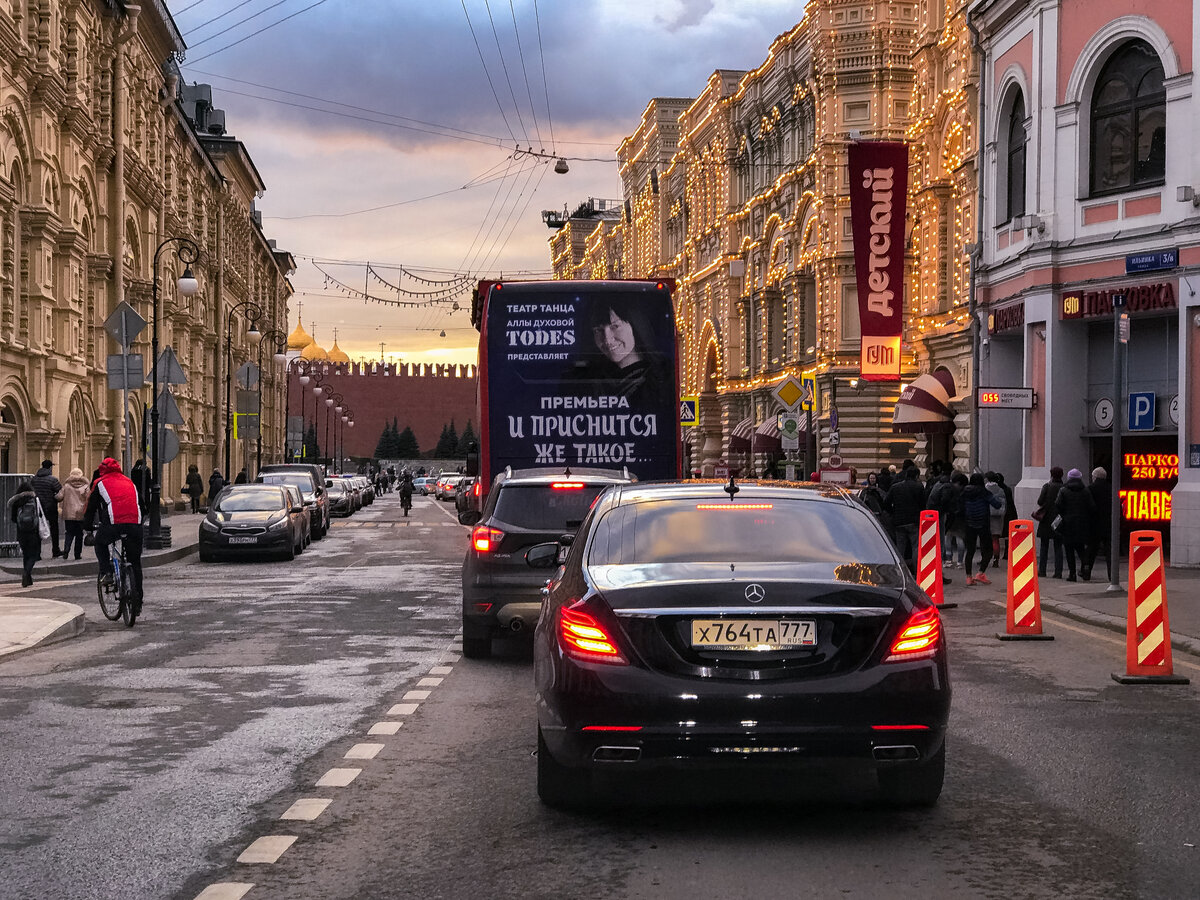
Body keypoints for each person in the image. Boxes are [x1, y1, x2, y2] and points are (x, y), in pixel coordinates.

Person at [585, 298, 672, 411]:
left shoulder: (662, 376)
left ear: (635, 325)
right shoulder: (592, 379)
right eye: (598, 330)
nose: (607, 339)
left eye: (615, 326)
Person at [85, 457, 144, 615]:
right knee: (135, 562)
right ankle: (137, 601)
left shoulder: (100, 483)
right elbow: (142, 505)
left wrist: (87, 528)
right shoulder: (129, 482)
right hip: (135, 523)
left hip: (113, 523)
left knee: (100, 543)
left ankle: (107, 573)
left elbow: (90, 508)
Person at [1055, 468, 1096, 582]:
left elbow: (1058, 505)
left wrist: (1065, 513)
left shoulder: (1063, 491)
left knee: (1069, 551)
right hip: (1082, 524)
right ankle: (1085, 568)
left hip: (1067, 524)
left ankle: (1072, 574)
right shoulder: (1085, 491)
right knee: (1081, 549)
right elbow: (1092, 507)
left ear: (1068, 478)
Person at [962, 473, 1003, 586]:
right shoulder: (984, 492)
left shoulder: (965, 492)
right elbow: (997, 504)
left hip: (969, 523)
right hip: (983, 524)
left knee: (970, 551)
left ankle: (969, 577)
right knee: (988, 550)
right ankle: (980, 573)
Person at [882, 466, 925, 573]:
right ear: (916, 476)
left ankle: (899, 572)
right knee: (916, 547)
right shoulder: (918, 487)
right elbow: (923, 504)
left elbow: (886, 503)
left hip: (899, 522)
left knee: (900, 548)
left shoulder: (895, 487)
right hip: (914, 521)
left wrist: (893, 513)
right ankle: (916, 571)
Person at [8, 480, 43, 586]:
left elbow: (14, 519)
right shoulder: (35, 500)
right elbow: (40, 514)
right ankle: (26, 572)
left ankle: (28, 577)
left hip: (21, 532)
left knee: (26, 554)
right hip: (33, 531)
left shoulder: (17, 502)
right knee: (33, 555)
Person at [1035, 467, 1065, 578]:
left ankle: (1042, 570)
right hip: (1059, 519)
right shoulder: (1064, 487)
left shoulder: (1047, 486)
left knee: (1044, 545)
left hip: (1046, 519)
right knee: (1058, 546)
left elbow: (1040, 501)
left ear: (1051, 475)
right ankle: (1058, 572)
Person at [1083, 467, 1112, 581]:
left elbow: (1087, 507)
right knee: (1110, 552)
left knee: (1090, 551)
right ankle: (1112, 575)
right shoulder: (1111, 488)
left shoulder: (1090, 489)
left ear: (1095, 477)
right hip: (1109, 524)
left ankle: (1086, 572)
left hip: (1094, 525)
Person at [58, 467, 91, 561]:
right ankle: (77, 554)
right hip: (81, 514)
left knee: (69, 533)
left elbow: (59, 497)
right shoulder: (85, 486)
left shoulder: (66, 486)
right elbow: (88, 498)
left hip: (69, 514)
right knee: (79, 535)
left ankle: (66, 551)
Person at [32, 459, 62, 558]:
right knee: (54, 528)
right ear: (50, 467)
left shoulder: (34, 479)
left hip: (38, 507)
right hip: (50, 506)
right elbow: (59, 490)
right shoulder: (52, 479)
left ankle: (37, 553)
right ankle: (55, 550)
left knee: (38, 529)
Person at [985, 472, 1007, 568]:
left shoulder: (985, 489)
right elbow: (1004, 504)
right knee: (995, 539)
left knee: (985, 539)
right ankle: (996, 559)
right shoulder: (1000, 490)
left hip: (986, 516)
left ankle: (985, 558)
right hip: (998, 517)